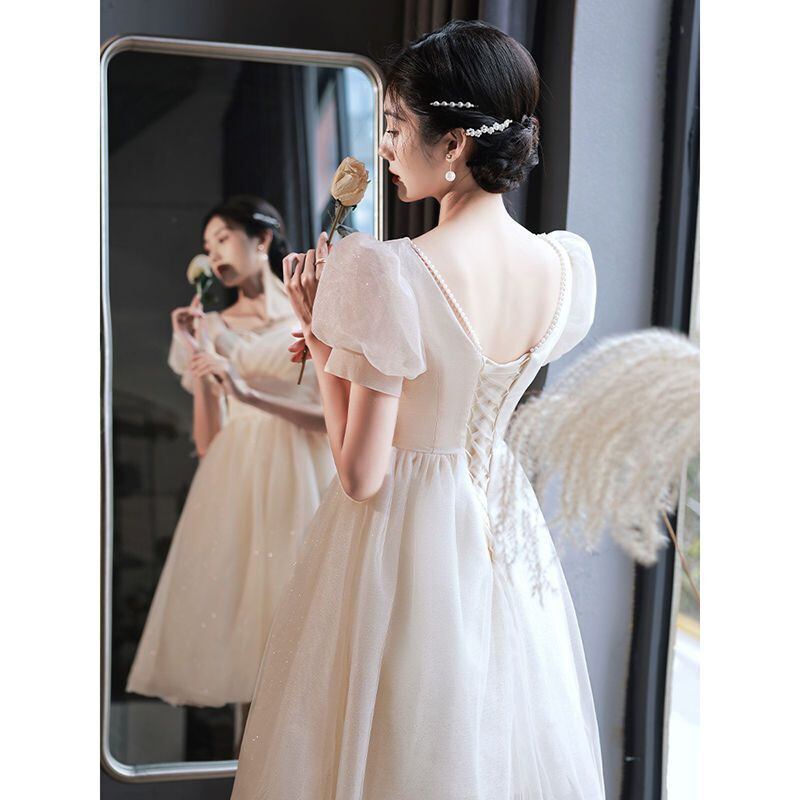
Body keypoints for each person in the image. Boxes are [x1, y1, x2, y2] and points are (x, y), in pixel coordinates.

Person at [231, 20, 605, 799]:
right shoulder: (563, 267)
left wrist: (319, 336)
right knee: (495, 737)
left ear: (456, 142)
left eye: (397, 127)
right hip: (504, 523)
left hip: (404, 535)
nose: (385, 147)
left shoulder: (388, 271)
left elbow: (361, 474)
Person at [126, 196, 336, 709]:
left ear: (261, 239)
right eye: (206, 245)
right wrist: (197, 351)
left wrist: (250, 393)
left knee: (314, 627)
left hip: (311, 472)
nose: (213, 253)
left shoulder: (314, 309)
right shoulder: (212, 327)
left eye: (222, 238)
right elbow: (208, 443)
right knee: (247, 632)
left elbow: (335, 422)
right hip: (238, 481)